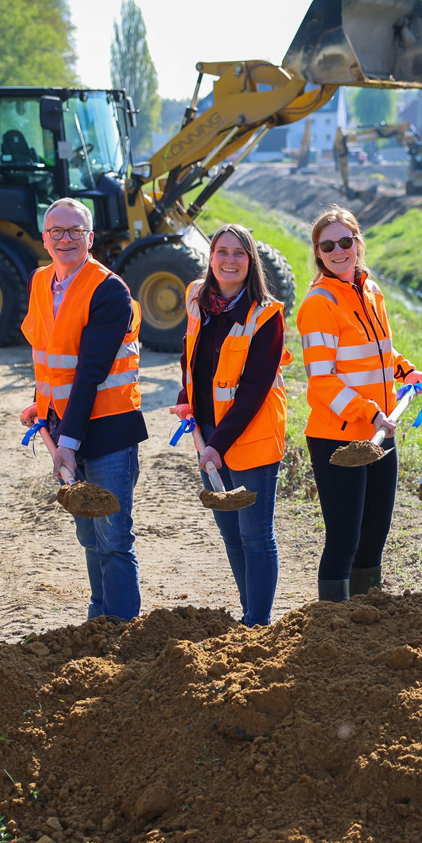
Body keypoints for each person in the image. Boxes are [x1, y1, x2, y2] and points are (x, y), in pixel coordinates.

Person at [297, 205, 422, 601]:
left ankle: (366, 619)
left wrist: (407, 372)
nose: (338, 251)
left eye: (345, 241)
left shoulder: (371, 291)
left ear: (358, 243)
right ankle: (333, 625)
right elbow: (322, 381)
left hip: (380, 434)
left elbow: (380, 352)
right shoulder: (319, 304)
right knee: (344, 540)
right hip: (339, 438)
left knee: (374, 538)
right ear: (318, 253)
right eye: (327, 246)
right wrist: (369, 412)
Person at [21, 198, 146, 620]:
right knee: (88, 535)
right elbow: (49, 355)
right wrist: (41, 405)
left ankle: (122, 629)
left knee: (112, 537)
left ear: (90, 238)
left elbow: (90, 370)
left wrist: (68, 443)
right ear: (44, 238)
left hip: (108, 430)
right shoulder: (41, 281)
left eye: (75, 231)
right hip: (64, 424)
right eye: (56, 231)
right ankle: (99, 619)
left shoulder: (109, 290)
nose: (65, 239)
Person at [173, 224, 291, 626]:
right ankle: (248, 613)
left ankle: (258, 622)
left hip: (251, 436)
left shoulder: (266, 314)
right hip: (208, 434)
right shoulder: (197, 297)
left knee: (255, 535)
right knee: (229, 530)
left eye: (239, 253)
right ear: (210, 258)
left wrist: (217, 444)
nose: (229, 260)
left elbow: (255, 388)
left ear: (251, 262)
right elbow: (190, 354)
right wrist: (185, 397)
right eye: (222, 251)